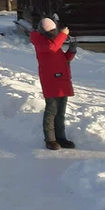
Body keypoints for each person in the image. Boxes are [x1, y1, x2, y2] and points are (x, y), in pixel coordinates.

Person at [29, 16, 77, 149]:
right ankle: (50, 139)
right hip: (51, 81)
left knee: (61, 112)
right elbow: (53, 48)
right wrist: (63, 34)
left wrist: (72, 50)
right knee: (52, 111)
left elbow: (63, 59)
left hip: (62, 80)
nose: (54, 34)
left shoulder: (52, 41)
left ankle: (61, 137)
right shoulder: (41, 42)